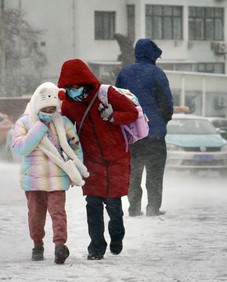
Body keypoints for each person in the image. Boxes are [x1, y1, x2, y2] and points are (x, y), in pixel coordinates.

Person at [57, 59, 138, 260]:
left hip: (117, 158)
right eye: (69, 87)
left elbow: (132, 113)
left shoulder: (106, 94)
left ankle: (117, 237)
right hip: (91, 161)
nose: (73, 91)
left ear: (86, 81)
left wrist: (113, 116)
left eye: (77, 86)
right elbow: (66, 128)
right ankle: (96, 248)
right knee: (92, 205)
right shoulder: (68, 103)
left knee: (114, 205)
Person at [11, 82, 86, 264]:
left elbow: (75, 147)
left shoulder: (64, 123)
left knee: (58, 212)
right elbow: (20, 149)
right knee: (36, 214)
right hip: (33, 179)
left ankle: (60, 246)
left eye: (53, 109)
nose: (49, 113)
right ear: (37, 105)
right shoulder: (24, 123)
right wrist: (39, 128)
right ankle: (37, 244)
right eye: (46, 109)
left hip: (58, 178)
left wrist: (76, 170)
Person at [115, 38, 174, 217]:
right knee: (155, 173)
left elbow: (117, 99)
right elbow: (167, 103)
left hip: (132, 134)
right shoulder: (157, 73)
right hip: (155, 135)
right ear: (152, 54)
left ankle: (134, 208)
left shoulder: (125, 73)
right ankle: (153, 208)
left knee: (133, 172)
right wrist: (161, 120)